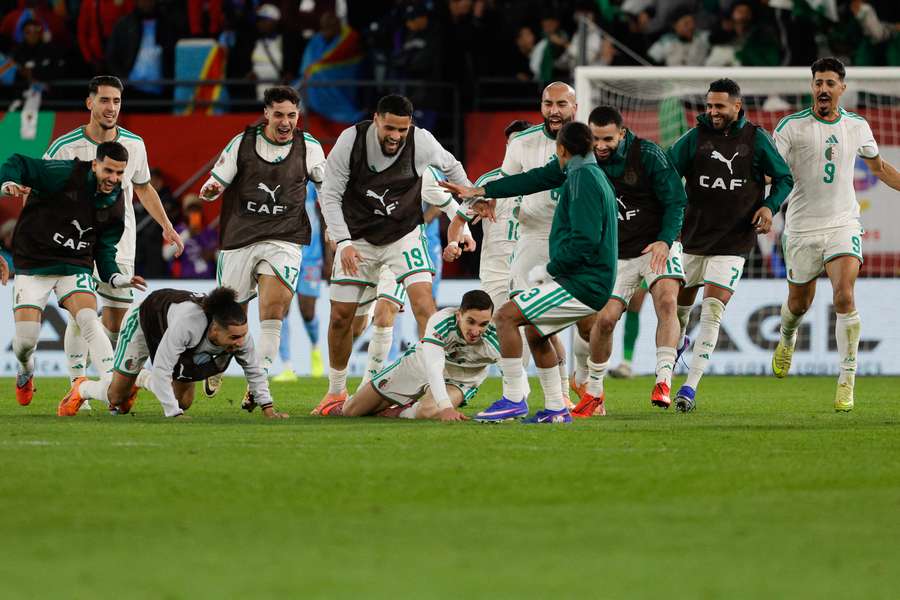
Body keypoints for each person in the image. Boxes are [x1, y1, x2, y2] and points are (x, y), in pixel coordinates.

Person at [441, 121, 618, 424]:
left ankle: (512, 398)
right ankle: (556, 408)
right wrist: (480, 190)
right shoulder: (581, 172)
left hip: (583, 282)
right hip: (588, 280)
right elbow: (532, 179)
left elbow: (586, 240)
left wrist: (549, 268)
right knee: (536, 331)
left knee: (506, 317)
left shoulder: (583, 179)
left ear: (560, 149)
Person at [312, 93, 474, 414]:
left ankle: (435, 387)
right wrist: (343, 242)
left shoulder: (422, 142)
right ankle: (335, 392)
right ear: (376, 119)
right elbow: (330, 194)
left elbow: (454, 170)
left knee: (425, 307)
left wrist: (466, 210)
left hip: (404, 236)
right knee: (342, 318)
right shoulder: (351, 141)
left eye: (402, 129)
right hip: (357, 240)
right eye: (390, 128)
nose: (396, 136)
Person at [44, 75, 183, 411]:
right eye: (104, 100)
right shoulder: (65, 146)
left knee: (116, 323)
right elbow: (41, 192)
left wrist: (167, 226)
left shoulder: (134, 144)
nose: (111, 108)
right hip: (74, 243)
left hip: (119, 244)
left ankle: (105, 381)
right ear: (89, 102)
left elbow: (144, 188)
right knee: (81, 313)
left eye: (116, 101)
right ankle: (79, 385)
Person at [772, 57, 900, 412]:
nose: (823, 89)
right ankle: (787, 337)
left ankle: (846, 380)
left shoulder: (858, 126)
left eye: (830, 83)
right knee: (798, 305)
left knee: (844, 296)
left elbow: (879, 167)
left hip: (843, 223)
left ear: (842, 88)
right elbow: (772, 174)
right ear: (811, 87)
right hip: (800, 226)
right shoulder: (790, 127)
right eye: (818, 83)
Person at [448, 82, 581, 421]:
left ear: (574, 107)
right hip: (532, 241)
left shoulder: (588, 146)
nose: (554, 110)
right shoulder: (522, 144)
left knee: (586, 326)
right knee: (523, 321)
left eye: (561, 104)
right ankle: (534, 398)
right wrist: (484, 194)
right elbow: (510, 183)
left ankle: (585, 387)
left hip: (574, 242)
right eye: (548, 103)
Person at [667, 78, 793, 412]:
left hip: (734, 240)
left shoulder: (755, 139)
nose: (712, 111)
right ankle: (679, 341)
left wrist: (769, 206)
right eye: (709, 106)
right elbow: (666, 173)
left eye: (719, 106)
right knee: (679, 309)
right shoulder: (694, 138)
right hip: (693, 238)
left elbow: (784, 178)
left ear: (737, 106)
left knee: (712, 310)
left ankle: (689, 388)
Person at [199, 85, 326, 407]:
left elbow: (328, 190)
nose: (286, 122)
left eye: (292, 116)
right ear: (266, 113)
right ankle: (218, 360)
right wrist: (212, 188)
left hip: (285, 236)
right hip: (240, 236)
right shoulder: (242, 143)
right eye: (280, 115)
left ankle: (259, 381)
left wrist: (337, 231)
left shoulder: (309, 147)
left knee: (274, 308)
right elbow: (218, 179)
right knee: (232, 316)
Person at [0, 143, 146, 410]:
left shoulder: (116, 202)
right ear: (95, 165)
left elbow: (104, 248)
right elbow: (18, 161)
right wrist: (9, 181)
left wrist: (116, 277)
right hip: (34, 262)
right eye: (108, 170)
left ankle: (112, 385)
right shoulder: (64, 174)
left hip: (75, 263)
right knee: (25, 342)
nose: (113, 179)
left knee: (89, 319)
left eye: (119, 173)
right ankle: (25, 369)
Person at [567, 105, 687, 415]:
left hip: (656, 246)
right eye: (595, 138)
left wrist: (665, 239)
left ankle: (663, 379)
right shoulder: (583, 160)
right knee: (604, 321)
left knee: (667, 302)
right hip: (617, 254)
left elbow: (676, 200)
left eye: (608, 139)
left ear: (622, 133)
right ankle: (594, 390)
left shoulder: (647, 154)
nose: (601, 146)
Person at [59, 287, 288, 419]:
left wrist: (268, 409)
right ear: (215, 329)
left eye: (243, 335)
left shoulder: (239, 335)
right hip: (144, 321)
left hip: (175, 339)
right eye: (234, 338)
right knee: (116, 398)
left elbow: (255, 371)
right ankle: (82, 387)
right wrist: (173, 415)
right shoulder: (189, 324)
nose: (240, 343)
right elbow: (162, 368)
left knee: (183, 401)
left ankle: (139, 379)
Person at [318, 289, 498, 421]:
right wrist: (446, 407)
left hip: (461, 379)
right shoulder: (441, 321)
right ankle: (342, 402)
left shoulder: (497, 337)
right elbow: (433, 368)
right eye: (471, 322)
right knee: (352, 411)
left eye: (483, 324)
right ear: (459, 315)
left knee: (429, 411)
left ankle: (401, 411)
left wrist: (514, 403)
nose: (476, 330)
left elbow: (515, 369)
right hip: (421, 364)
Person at [274, 181, 325, 381]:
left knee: (307, 311)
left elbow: (323, 217)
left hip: (311, 256)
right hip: (285, 254)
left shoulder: (313, 183)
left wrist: (328, 258)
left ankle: (315, 349)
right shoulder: (280, 182)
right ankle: (287, 366)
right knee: (282, 309)